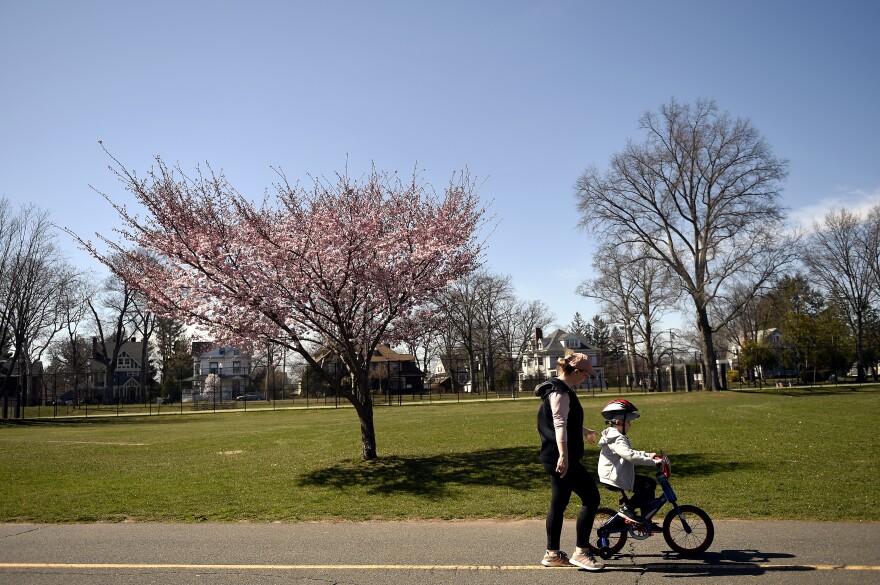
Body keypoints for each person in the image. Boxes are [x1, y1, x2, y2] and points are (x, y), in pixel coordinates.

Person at [535, 352, 604, 570]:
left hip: (553, 457)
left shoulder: (558, 389)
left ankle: (552, 554)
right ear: (576, 371)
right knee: (591, 497)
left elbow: (565, 421)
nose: (587, 378)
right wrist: (564, 456)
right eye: (586, 374)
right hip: (561, 458)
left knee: (559, 503)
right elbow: (559, 425)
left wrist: (582, 430)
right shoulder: (561, 393)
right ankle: (581, 553)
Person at [597, 399, 661, 524]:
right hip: (614, 476)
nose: (630, 424)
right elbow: (630, 456)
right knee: (647, 486)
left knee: (649, 484)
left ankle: (644, 519)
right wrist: (654, 463)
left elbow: (630, 452)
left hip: (614, 474)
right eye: (628, 421)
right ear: (618, 422)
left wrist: (648, 455)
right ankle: (628, 510)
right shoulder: (617, 439)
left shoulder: (614, 435)